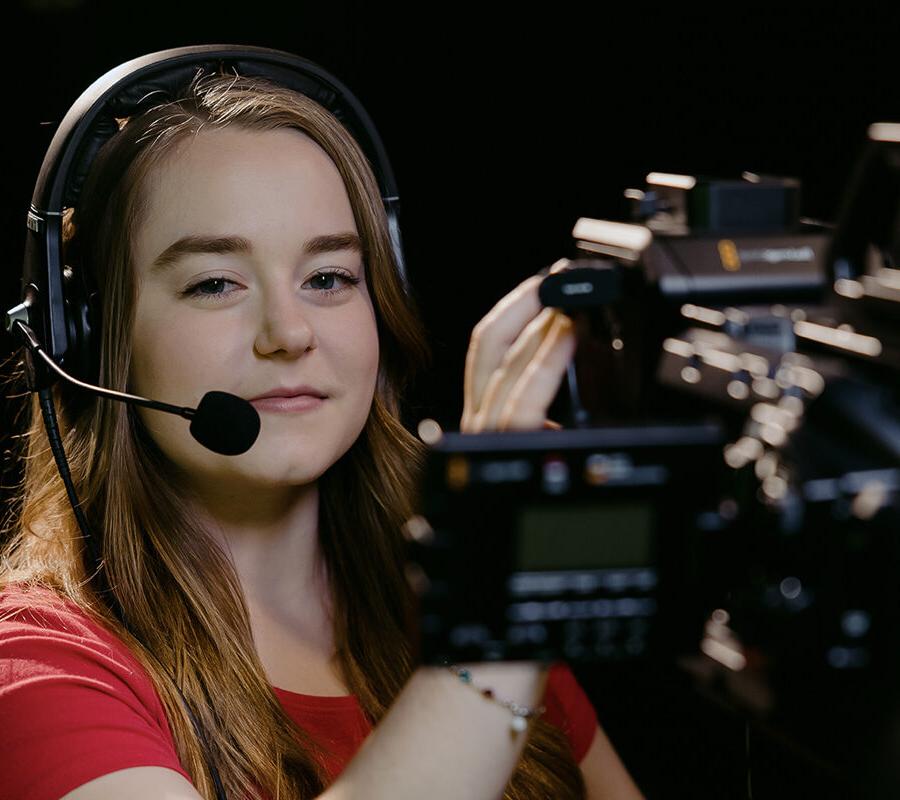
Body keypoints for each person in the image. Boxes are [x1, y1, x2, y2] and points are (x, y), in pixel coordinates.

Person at [0, 64, 645, 800]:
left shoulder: (460, 604)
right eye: (216, 283)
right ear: (90, 336)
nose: (289, 332)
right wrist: (496, 621)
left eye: (329, 277)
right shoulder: (33, 668)